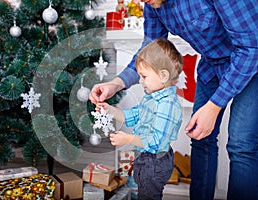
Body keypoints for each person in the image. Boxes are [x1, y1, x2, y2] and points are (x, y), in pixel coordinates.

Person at [89, 1, 258, 200]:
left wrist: (213, 107)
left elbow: (251, 46)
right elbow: (149, 50)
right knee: (201, 139)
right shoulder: (152, 4)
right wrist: (116, 84)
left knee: (241, 145)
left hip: (250, 62)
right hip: (211, 66)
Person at [96, 38, 183, 200]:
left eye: (144, 76)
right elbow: (131, 116)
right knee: (143, 191)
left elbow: (156, 142)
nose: (141, 82)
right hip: (145, 158)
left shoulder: (167, 104)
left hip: (155, 161)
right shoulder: (151, 98)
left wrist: (128, 138)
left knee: (149, 195)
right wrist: (110, 110)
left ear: (163, 75)